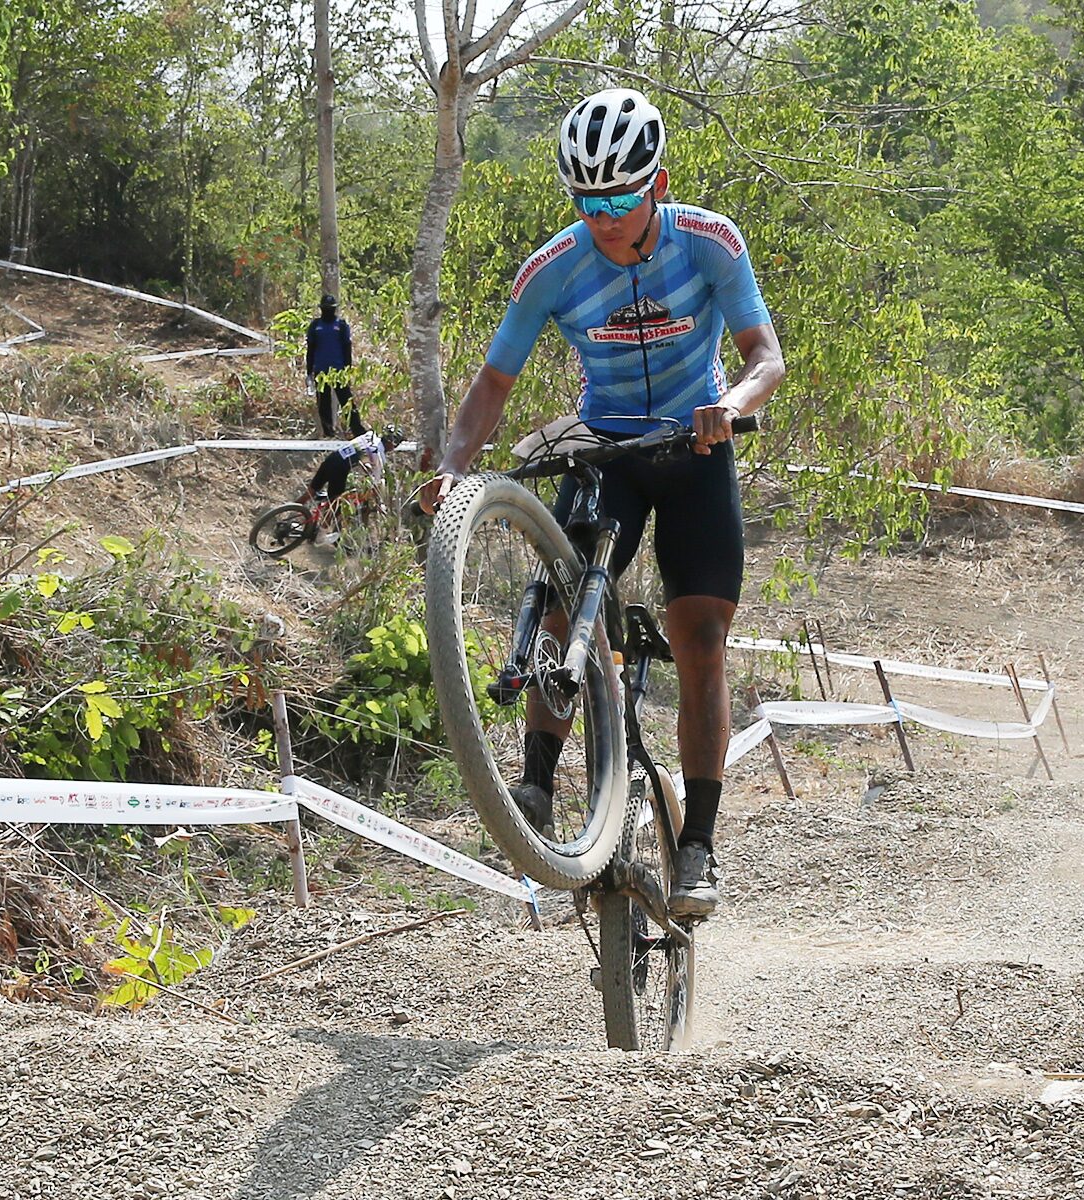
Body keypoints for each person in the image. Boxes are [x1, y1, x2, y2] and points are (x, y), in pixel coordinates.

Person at [416, 88, 785, 918]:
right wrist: (451, 465)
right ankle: (536, 786)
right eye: (587, 202)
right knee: (563, 602)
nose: (604, 218)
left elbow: (765, 355)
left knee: (701, 639)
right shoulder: (554, 267)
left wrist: (732, 406)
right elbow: (493, 383)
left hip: (695, 449)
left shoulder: (711, 241)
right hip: (608, 449)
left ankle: (699, 846)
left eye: (621, 200)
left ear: (659, 186)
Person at [299, 423, 404, 520]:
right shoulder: (378, 454)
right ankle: (323, 530)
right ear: (392, 443)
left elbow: (360, 454)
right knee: (335, 504)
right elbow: (376, 483)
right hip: (340, 469)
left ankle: (290, 512)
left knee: (310, 493)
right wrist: (379, 501)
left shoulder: (371, 435)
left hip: (332, 459)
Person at [306, 293, 359, 437]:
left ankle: (358, 431)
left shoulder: (341, 325)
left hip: (339, 371)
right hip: (321, 371)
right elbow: (310, 349)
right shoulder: (315, 326)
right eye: (326, 308)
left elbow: (347, 348)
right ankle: (328, 432)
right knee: (323, 403)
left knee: (346, 401)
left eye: (331, 308)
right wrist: (309, 371)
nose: (328, 311)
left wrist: (348, 370)